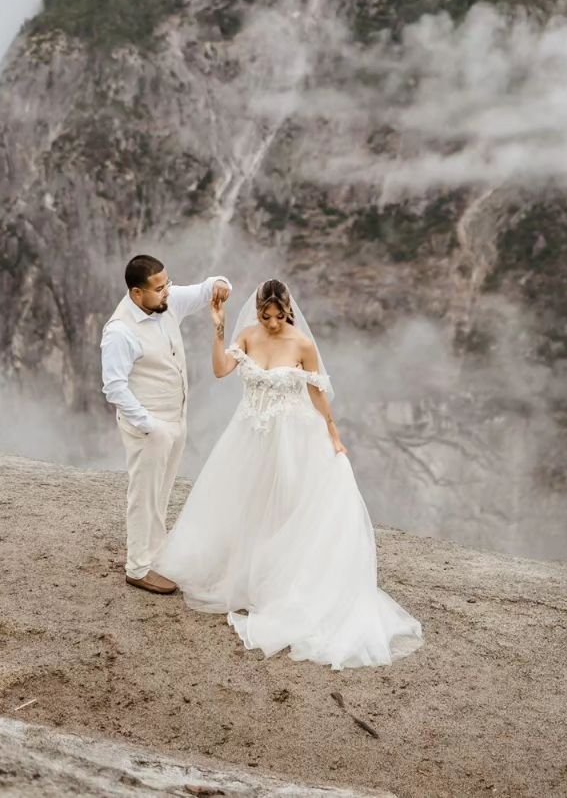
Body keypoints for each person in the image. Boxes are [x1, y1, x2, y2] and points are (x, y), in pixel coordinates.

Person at [153, 278, 424, 669]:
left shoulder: (302, 344)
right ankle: (247, 578)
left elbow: (316, 392)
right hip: (249, 436)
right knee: (247, 505)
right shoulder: (246, 336)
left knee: (287, 507)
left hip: (294, 436)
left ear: (289, 312)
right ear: (258, 311)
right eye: (267, 316)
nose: (273, 323)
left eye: (279, 316)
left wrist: (333, 432)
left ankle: (281, 585)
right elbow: (220, 370)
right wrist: (218, 324)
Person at [100, 254, 231, 594]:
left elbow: (206, 289)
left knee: (162, 491)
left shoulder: (166, 302)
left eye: (167, 284)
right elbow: (114, 387)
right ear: (136, 293)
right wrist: (150, 425)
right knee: (144, 494)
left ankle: (154, 554)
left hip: (176, 418)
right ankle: (138, 567)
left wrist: (221, 286)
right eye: (159, 288)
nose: (167, 292)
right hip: (150, 426)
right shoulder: (120, 332)